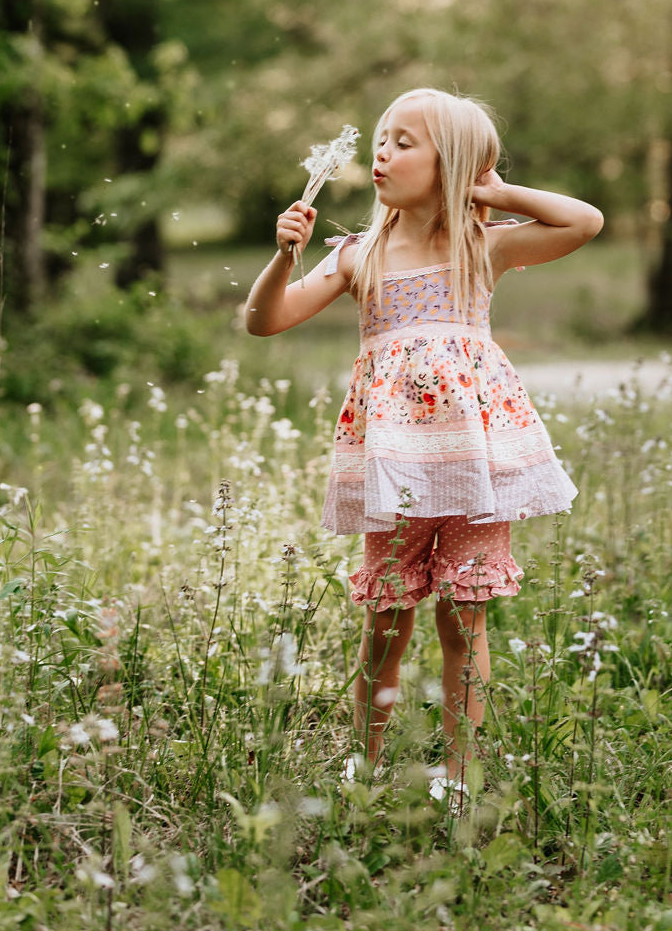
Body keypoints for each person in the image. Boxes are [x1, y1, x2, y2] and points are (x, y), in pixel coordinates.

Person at [244, 88, 603, 797]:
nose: (382, 152)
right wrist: (285, 257)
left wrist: (494, 189)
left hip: (475, 464)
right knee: (385, 615)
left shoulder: (483, 246)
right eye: (382, 138)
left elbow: (584, 221)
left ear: (454, 165)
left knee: (463, 619)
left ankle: (460, 773)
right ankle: (368, 760)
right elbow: (265, 320)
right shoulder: (357, 255)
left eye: (405, 142)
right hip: (398, 468)